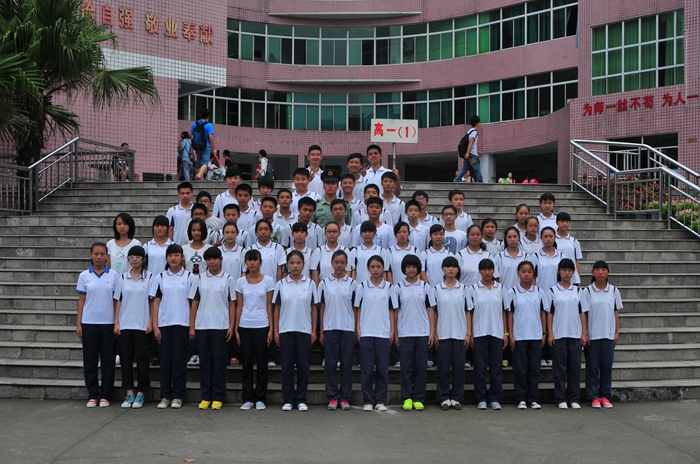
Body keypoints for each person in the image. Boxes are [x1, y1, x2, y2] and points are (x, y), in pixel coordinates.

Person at [188, 247, 236, 410]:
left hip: (221, 325)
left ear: (221, 259)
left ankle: (218, 396)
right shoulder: (199, 278)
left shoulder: (228, 279)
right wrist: (192, 326)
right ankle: (206, 396)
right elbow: (194, 303)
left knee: (219, 363)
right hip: (202, 325)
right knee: (205, 363)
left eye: (215, 259)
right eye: (209, 259)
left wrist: (231, 326)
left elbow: (232, 304)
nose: (212, 262)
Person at [151, 244, 195, 409]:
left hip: (182, 323)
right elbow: (156, 303)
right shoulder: (160, 277)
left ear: (182, 257)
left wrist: (192, 326)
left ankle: (178, 395)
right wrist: (155, 326)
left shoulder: (190, 277)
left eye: (176, 255)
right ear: (167, 258)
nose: (173, 258)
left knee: (179, 361)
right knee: (165, 362)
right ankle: (165, 396)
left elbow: (193, 302)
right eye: (170, 255)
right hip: (164, 324)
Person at [77, 242, 120, 408]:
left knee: (108, 361)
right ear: (91, 255)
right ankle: (93, 394)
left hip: (108, 323)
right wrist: (79, 323)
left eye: (102, 254)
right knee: (90, 361)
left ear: (107, 256)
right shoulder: (84, 276)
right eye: (96, 254)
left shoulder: (114, 276)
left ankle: (106, 395)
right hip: (89, 323)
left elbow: (116, 301)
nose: (99, 257)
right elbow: (81, 301)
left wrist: (116, 321)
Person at [274, 251, 317, 411]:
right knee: (287, 366)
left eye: (298, 263)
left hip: (304, 329)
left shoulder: (310, 284)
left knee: (303, 366)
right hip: (286, 329)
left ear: (304, 264)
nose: (295, 266)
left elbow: (314, 308)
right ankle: (288, 399)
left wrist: (314, 330)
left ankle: (301, 399)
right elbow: (277, 308)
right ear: (287, 264)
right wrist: (276, 330)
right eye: (292, 263)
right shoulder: (281, 284)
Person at [354, 255, 398, 412]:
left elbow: (392, 310)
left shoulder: (389, 287)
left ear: (383, 268)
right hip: (366, 332)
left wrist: (392, 330)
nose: (375, 269)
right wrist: (358, 328)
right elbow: (358, 308)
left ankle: (380, 400)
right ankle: (368, 400)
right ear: (368, 268)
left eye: (378, 266)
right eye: (372, 267)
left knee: (382, 369)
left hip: (383, 333)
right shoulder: (362, 286)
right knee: (366, 369)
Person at [546, 258, 589, 410]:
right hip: (559, 334)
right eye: (564, 270)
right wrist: (550, 333)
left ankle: (573, 398)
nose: (567, 273)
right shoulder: (552, 291)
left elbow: (582, 313)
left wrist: (584, 333)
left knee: (575, 368)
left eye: (570, 270)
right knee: (559, 368)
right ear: (559, 271)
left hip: (575, 334)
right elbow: (550, 313)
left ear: (573, 272)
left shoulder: (578, 291)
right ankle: (560, 398)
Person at [235, 249, 275, 410]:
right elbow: (239, 306)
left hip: (262, 324)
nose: (252, 263)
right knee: (247, 363)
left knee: (262, 363)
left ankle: (260, 397)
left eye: (255, 260)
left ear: (260, 262)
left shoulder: (268, 281)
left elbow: (269, 306)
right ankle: (248, 397)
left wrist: (271, 328)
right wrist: (236, 328)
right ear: (245, 262)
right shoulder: (240, 282)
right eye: (249, 260)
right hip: (245, 324)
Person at [114, 245, 153, 409]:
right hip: (125, 324)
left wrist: (151, 321)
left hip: (143, 325)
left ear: (144, 259)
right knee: (126, 360)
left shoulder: (150, 277)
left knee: (143, 360)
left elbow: (153, 301)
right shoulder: (123, 277)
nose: (134, 260)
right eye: (131, 257)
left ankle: (141, 393)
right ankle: (129, 392)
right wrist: (116, 322)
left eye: (138, 257)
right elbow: (119, 300)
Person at [395, 255, 436, 411]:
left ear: (418, 269)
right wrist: (396, 332)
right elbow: (396, 311)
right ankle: (407, 398)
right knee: (406, 367)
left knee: (421, 367)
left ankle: (419, 398)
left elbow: (430, 309)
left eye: (414, 267)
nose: (411, 269)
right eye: (408, 267)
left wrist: (432, 332)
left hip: (422, 332)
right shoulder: (398, 287)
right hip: (405, 332)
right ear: (404, 269)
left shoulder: (425, 287)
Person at [318, 250, 357, 411]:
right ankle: (333, 396)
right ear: (332, 263)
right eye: (336, 262)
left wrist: (356, 328)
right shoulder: (324, 283)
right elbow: (322, 307)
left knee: (347, 364)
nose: (339, 265)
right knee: (331, 364)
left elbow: (355, 307)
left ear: (346, 264)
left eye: (342, 263)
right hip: (330, 327)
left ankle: (345, 397)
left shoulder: (353, 284)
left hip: (347, 327)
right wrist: (321, 329)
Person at [505, 261, 547, 410]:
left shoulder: (540, 292)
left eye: (529, 271)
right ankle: (521, 398)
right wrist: (510, 335)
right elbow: (509, 314)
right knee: (520, 369)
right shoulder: (512, 292)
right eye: (523, 271)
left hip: (535, 336)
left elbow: (543, 313)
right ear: (518, 273)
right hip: (519, 336)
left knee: (534, 368)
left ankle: (532, 398)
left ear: (533, 274)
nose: (526, 274)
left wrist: (544, 333)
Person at [467, 258, 506, 410]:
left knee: (496, 367)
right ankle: (481, 398)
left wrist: (506, 333)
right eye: (484, 269)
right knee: (480, 368)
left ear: (494, 271)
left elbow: (504, 311)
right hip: (479, 332)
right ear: (479, 271)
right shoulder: (473, 289)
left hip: (496, 332)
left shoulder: (501, 288)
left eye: (490, 269)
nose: (487, 272)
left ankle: (495, 398)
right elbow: (469, 312)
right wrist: (470, 333)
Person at [583, 260, 622, 409]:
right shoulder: (587, 291)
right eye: (597, 269)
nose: (600, 272)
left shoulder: (614, 291)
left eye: (603, 269)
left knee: (606, 368)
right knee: (592, 368)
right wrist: (585, 333)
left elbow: (615, 313)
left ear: (608, 272)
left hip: (608, 335)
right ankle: (593, 396)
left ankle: (605, 396)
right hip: (593, 336)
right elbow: (584, 313)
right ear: (593, 272)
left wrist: (616, 332)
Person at [434, 256, 468, 410]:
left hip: (460, 333)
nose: (451, 269)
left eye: (454, 267)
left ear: (457, 269)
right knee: (443, 368)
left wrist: (469, 333)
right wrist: (434, 332)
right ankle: (443, 397)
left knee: (459, 368)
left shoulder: (464, 289)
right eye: (448, 266)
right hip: (443, 333)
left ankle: (456, 397)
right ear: (443, 269)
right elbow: (434, 312)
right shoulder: (436, 289)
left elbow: (468, 311)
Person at [531, 226, 561, 368]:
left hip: (557, 294)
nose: (548, 239)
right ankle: (542, 355)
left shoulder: (561, 256)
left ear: (555, 237)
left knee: (554, 325)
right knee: (542, 325)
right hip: (541, 293)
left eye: (550, 236)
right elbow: (533, 276)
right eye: (545, 236)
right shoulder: (535, 256)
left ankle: (552, 355)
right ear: (541, 238)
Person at [555, 212, 583, 286]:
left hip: (573, 277)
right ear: (557, 223)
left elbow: (576, 261)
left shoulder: (574, 241)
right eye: (562, 221)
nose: (564, 224)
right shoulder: (553, 240)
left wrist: (578, 279)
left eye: (567, 222)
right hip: (557, 276)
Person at [190, 108, 218, 181]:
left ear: (200, 115)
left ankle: (200, 180)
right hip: (206, 146)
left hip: (197, 146)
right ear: (208, 116)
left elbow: (190, 134)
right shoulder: (209, 125)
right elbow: (211, 137)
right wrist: (214, 148)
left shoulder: (195, 123)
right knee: (205, 163)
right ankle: (198, 175)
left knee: (200, 164)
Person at [455, 115, 482, 183]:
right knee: (477, 169)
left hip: (469, 153)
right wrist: (468, 152)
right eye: (479, 123)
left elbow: (470, 144)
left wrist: (476, 151)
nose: (479, 124)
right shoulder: (475, 132)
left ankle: (457, 180)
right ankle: (481, 183)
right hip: (472, 155)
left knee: (464, 168)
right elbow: (471, 142)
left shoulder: (469, 131)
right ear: (477, 123)